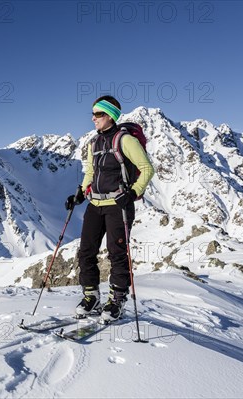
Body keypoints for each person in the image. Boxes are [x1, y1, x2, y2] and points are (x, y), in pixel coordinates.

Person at [65, 95, 154, 323]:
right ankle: (91, 296)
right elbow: (90, 173)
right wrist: (80, 193)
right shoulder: (93, 143)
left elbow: (146, 169)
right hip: (95, 205)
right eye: (93, 114)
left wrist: (133, 193)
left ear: (110, 115)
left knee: (117, 254)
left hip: (118, 206)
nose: (93, 118)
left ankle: (116, 300)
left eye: (98, 114)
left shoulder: (124, 141)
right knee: (86, 252)